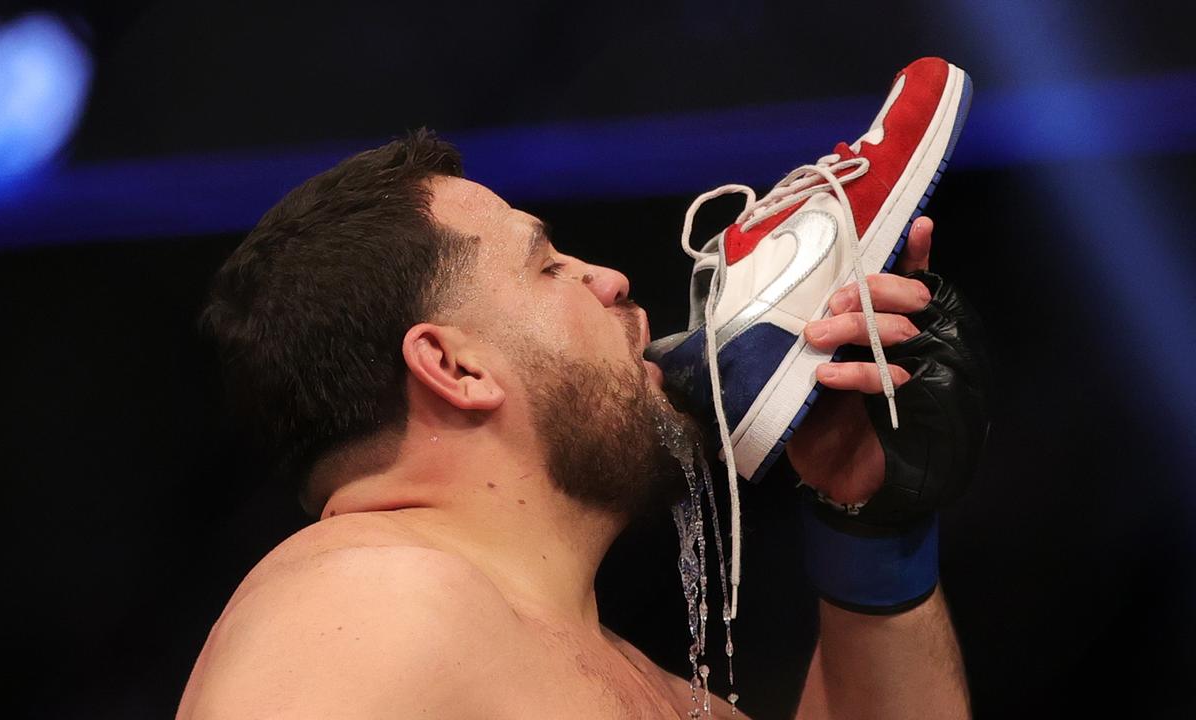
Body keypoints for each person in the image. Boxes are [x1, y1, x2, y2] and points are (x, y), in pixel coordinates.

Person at [178, 130, 972, 719]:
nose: (611, 279)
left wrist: (870, 527)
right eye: (549, 265)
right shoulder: (369, 599)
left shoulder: (643, 687)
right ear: (455, 368)